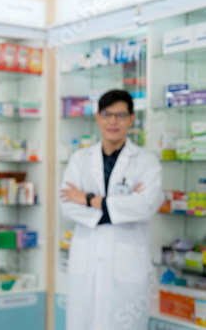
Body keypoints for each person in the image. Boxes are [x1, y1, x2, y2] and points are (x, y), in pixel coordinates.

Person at [60, 89, 163, 330]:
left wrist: (88, 199)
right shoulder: (80, 160)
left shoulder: (146, 162)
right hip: (86, 266)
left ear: (131, 119)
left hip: (127, 269)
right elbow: (66, 205)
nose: (113, 121)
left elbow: (146, 205)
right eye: (107, 114)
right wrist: (118, 209)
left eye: (120, 115)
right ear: (97, 118)